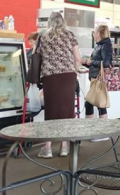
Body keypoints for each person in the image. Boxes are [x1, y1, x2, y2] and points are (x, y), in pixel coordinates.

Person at [38, 12, 82, 159]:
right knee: (66, 110)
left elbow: (38, 54)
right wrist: (76, 68)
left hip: (49, 76)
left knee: (51, 110)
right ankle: (64, 146)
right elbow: (77, 58)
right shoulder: (69, 35)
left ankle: (47, 148)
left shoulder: (43, 35)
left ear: (50, 22)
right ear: (62, 22)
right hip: (67, 75)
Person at [82, 25, 112, 128]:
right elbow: (97, 62)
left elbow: (106, 63)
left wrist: (91, 62)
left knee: (93, 103)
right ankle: (99, 131)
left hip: (99, 79)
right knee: (99, 104)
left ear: (99, 33)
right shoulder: (99, 45)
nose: (93, 34)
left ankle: (95, 131)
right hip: (95, 79)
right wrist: (86, 62)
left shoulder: (105, 45)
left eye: (94, 32)